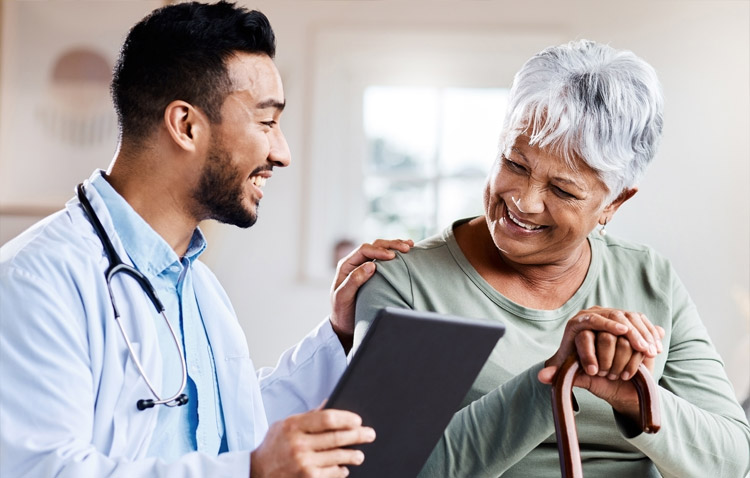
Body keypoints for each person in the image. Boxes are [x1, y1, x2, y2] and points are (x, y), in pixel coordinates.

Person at [0, 2, 414, 477]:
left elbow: (231, 431)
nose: (282, 153)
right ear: (186, 125)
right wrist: (252, 472)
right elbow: (39, 470)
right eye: (266, 122)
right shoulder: (35, 280)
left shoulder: (196, 285)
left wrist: (339, 334)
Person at [354, 39, 750, 477]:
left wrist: (633, 397)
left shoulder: (648, 276)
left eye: (562, 190)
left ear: (614, 203)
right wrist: (554, 379)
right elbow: (385, 468)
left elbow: (732, 462)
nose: (523, 201)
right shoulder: (405, 282)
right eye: (515, 163)